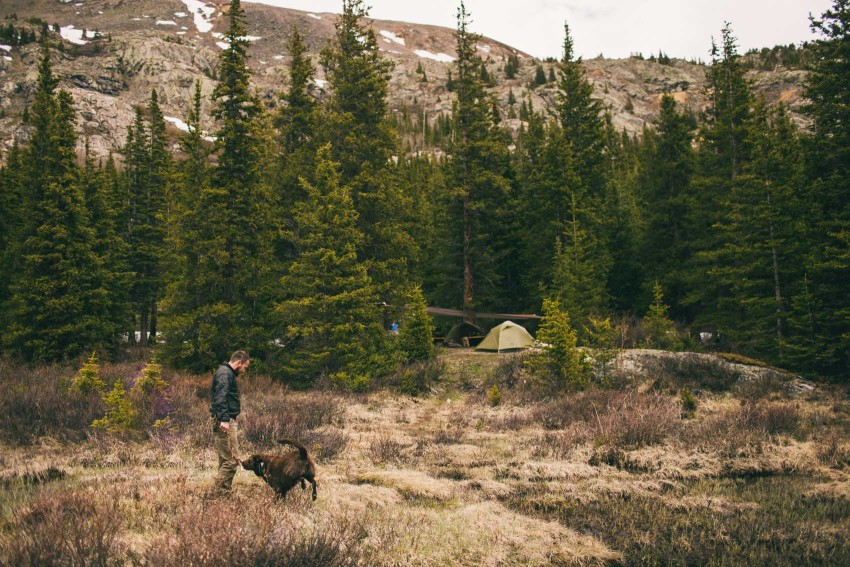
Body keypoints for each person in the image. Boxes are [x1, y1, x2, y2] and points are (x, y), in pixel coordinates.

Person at [209, 350, 251, 494]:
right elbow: (220, 397)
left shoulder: (226, 373)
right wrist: (225, 419)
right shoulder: (225, 374)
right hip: (224, 421)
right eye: (245, 367)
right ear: (238, 362)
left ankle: (223, 493)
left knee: (225, 459)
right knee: (232, 460)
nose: (244, 370)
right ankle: (217, 494)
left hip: (222, 419)